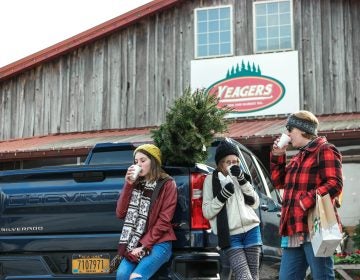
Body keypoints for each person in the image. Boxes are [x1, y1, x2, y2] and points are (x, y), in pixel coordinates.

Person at [270, 110, 343, 280]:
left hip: (314, 229)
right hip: (293, 230)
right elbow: (279, 182)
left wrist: (305, 201)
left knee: (322, 277)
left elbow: (334, 183)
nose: (287, 134)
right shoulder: (300, 156)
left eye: (290, 129)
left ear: (303, 130)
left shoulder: (325, 150)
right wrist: (278, 156)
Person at [115, 144, 178, 280]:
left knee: (136, 277)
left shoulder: (167, 184)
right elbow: (120, 213)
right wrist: (128, 184)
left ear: (154, 162)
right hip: (135, 242)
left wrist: (144, 246)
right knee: (121, 275)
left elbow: (164, 220)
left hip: (160, 243)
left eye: (143, 161)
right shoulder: (135, 183)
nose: (139, 164)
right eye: (136, 162)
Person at [202, 138, 262, 280]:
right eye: (228, 162)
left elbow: (255, 203)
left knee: (254, 276)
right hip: (230, 235)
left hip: (252, 230)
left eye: (235, 162)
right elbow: (207, 212)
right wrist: (222, 195)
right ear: (220, 164)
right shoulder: (211, 180)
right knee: (244, 277)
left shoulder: (242, 177)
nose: (232, 165)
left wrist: (242, 181)